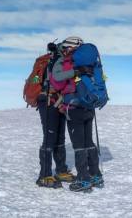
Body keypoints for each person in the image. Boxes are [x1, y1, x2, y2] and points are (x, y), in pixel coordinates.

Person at [52, 36, 103, 192]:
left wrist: (73, 70)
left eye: (65, 48)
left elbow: (56, 78)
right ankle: (96, 175)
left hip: (74, 108)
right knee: (89, 141)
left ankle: (83, 179)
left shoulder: (68, 61)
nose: (64, 50)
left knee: (79, 145)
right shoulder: (91, 61)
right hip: (89, 106)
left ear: (69, 47)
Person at [36, 42, 75, 188]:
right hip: (47, 100)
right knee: (50, 137)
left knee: (60, 137)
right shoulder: (55, 60)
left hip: (58, 101)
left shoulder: (64, 60)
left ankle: (61, 170)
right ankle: (44, 176)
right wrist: (75, 71)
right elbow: (57, 78)